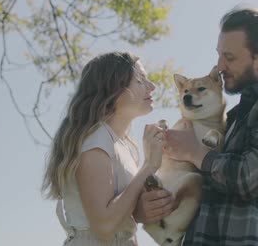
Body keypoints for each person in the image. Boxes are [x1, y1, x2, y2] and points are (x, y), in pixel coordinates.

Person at [163, 7, 258, 245]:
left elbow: (249, 177)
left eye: (230, 57)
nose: (219, 66)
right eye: (219, 55)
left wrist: (193, 151)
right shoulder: (233, 119)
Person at [42, 51, 176, 246]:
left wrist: (138, 211)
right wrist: (149, 166)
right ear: (113, 89)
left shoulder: (120, 144)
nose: (152, 86)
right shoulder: (95, 141)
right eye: (140, 80)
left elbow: (116, 212)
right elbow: (104, 227)